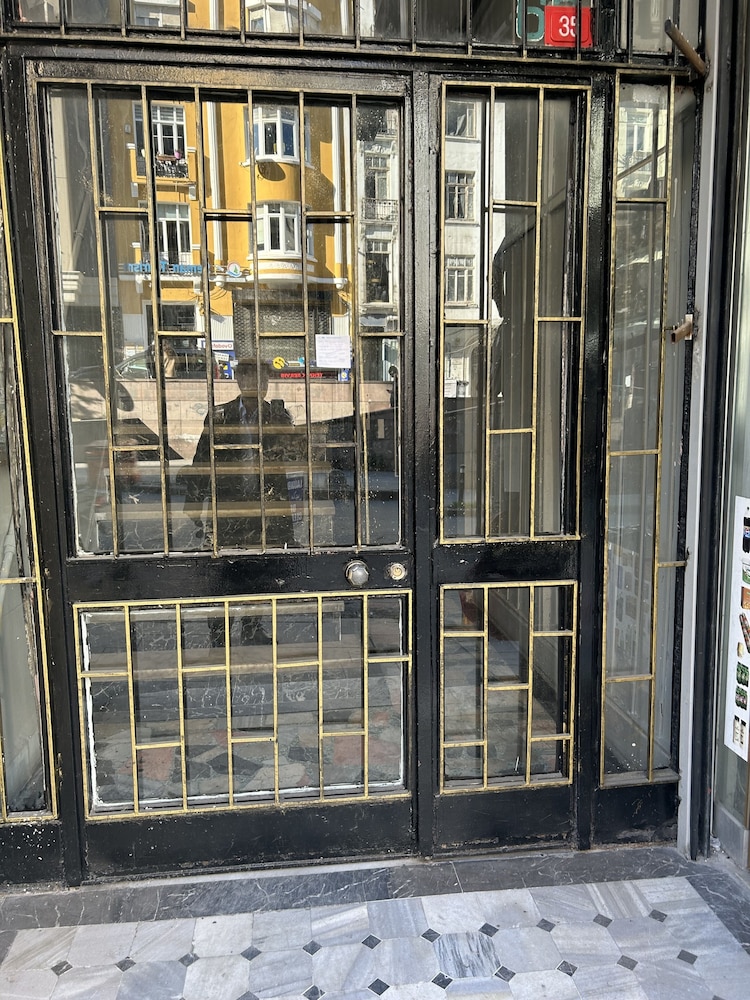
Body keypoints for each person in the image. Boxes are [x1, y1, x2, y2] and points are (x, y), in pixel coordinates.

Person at [183, 358, 302, 643]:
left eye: (262, 380)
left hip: (266, 506)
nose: (256, 385)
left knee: (260, 569)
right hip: (229, 505)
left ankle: (252, 629)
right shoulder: (219, 415)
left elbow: (293, 456)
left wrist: (286, 425)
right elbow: (202, 460)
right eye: (248, 378)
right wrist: (194, 503)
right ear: (238, 381)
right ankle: (219, 635)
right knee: (223, 571)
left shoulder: (275, 415)